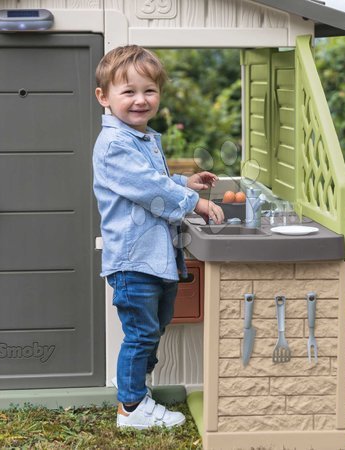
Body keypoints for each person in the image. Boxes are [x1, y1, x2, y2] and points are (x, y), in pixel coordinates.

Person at [92, 45, 224, 429]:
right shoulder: (116, 144)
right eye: (128, 91)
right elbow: (148, 187)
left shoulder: (142, 138)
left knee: (153, 329)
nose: (140, 100)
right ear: (104, 97)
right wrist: (193, 201)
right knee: (141, 333)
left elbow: (154, 179)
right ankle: (131, 408)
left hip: (154, 257)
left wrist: (184, 181)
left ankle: (135, 389)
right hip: (134, 259)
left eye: (148, 91)